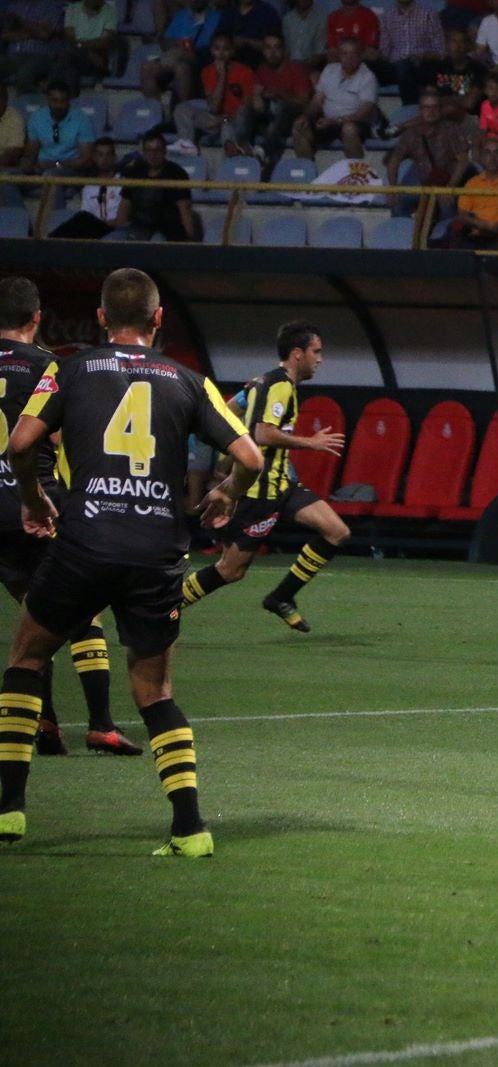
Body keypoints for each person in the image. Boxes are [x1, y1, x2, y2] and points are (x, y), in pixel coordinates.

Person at [0, 267, 264, 853]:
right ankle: (190, 829)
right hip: (156, 552)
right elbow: (250, 456)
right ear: (158, 319)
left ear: (99, 319)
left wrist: (32, 499)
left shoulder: (68, 370)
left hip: (85, 542)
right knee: (155, 690)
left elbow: (19, 444)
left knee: (27, 655)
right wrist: (229, 493)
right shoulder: (191, 382)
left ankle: (10, 809)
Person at [0, 276, 140, 757]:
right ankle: (101, 723)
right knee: (85, 612)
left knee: (33, 618)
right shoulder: (50, 367)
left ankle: (46, 724)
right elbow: (61, 437)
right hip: (38, 503)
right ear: (36, 318)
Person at [180, 320, 348, 633]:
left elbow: (229, 412)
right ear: (298, 353)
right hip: (259, 492)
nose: (320, 359)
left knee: (336, 531)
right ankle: (166, 607)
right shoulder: (280, 385)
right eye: (316, 351)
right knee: (230, 571)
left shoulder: (261, 382)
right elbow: (263, 433)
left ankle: (281, 596)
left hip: (283, 485)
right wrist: (310, 443)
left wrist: (227, 452)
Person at [293, 36, 380, 160]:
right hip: (329, 122)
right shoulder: (329, 70)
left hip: (357, 123)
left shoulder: (368, 77)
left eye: (353, 54)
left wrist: (335, 121)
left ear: (360, 56)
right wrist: (305, 116)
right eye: (344, 53)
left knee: (348, 129)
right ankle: (307, 173)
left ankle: (355, 174)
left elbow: (364, 112)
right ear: (339, 55)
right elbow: (317, 100)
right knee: (299, 126)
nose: (349, 58)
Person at [439, 137, 498, 248]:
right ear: (481, 158)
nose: (492, 158)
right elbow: (462, 215)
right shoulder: (472, 184)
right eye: (487, 153)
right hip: (477, 237)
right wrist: (479, 224)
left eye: (497, 153)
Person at [388, 88, 470, 215]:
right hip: (421, 179)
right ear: (420, 110)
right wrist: (392, 189)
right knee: (397, 204)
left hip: (447, 181)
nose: (430, 112)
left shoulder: (452, 129)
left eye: (434, 107)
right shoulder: (411, 133)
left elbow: (463, 161)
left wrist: (450, 188)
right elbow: (394, 161)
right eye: (426, 107)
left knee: (447, 208)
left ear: (440, 109)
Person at [173, 33, 254, 155]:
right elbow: (214, 108)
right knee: (182, 108)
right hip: (215, 119)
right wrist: (222, 76)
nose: (221, 53)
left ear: (232, 52)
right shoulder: (207, 71)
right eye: (217, 48)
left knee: (228, 126)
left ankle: (235, 150)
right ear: (211, 50)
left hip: (234, 120)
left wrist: (227, 118)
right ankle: (187, 143)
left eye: (226, 49)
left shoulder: (245, 72)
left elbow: (246, 108)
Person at [241, 31, 313, 170]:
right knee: (246, 106)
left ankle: (264, 150)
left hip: (294, 117)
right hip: (270, 116)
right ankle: (242, 149)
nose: (272, 52)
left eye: (277, 47)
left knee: (283, 106)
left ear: (284, 50)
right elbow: (255, 92)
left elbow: (305, 102)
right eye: (268, 48)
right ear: (263, 51)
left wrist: (280, 95)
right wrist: (256, 98)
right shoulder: (262, 69)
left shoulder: (296, 68)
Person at [114, 131, 200, 241]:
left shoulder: (177, 173)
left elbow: (185, 209)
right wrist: (118, 228)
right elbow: (125, 204)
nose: (153, 154)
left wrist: (190, 240)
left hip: (167, 228)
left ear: (164, 151)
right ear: (144, 152)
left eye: (158, 149)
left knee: (157, 240)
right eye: (149, 150)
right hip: (139, 225)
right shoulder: (135, 171)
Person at [49, 135, 121, 238]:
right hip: (94, 227)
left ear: (114, 157)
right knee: (81, 218)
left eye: (108, 154)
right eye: (100, 155)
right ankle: (51, 240)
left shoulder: (124, 181)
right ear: (94, 158)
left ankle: (50, 240)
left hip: (114, 226)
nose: (104, 159)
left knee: (81, 218)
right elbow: (87, 212)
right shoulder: (89, 185)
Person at [19, 81, 94, 176]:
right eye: (55, 100)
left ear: (69, 101)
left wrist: (56, 164)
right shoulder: (37, 118)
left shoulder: (82, 120)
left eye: (63, 101)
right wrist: (27, 162)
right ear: (47, 100)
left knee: (50, 175)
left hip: (70, 170)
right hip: (41, 167)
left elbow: (86, 160)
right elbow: (32, 152)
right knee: (8, 177)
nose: (59, 105)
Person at [421, 26, 487, 123]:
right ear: (446, 45)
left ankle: (403, 126)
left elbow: (469, 103)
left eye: (462, 42)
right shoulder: (438, 68)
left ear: (468, 46)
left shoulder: (478, 69)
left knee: (449, 109)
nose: (457, 46)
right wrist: (458, 99)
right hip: (441, 119)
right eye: (453, 41)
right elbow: (429, 98)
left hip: (470, 121)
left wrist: (442, 99)